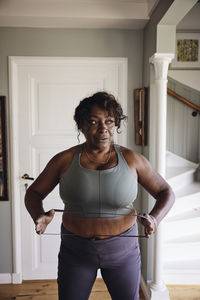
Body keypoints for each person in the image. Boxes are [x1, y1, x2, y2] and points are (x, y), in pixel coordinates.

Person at [25, 91, 175, 300]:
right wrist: (38, 215)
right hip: (75, 252)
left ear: (116, 125)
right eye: (94, 122)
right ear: (82, 125)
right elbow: (33, 192)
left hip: (123, 252)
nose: (103, 129)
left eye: (110, 121)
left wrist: (154, 219)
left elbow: (165, 192)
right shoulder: (64, 160)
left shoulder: (132, 159)